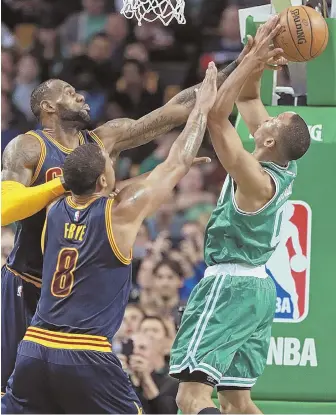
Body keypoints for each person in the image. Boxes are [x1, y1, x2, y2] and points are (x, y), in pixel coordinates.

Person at [0, 41, 250, 392]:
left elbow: (172, 112)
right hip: (27, 279)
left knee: (59, 388)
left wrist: (240, 64)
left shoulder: (103, 141)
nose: (82, 96)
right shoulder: (29, 147)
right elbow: (3, 210)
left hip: (76, 292)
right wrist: (61, 186)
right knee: (11, 390)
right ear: (47, 107)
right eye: (70, 93)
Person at [169, 16, 311, 415]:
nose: (266, 116)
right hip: (258, 292)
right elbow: (248, 100)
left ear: (267, 141)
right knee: (237, 402)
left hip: (229, 287)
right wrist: (258, 55)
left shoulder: (255, 179)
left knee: (191, 397)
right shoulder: (283, 163)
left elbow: (217, 116)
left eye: (272, 121)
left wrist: (246, 63)